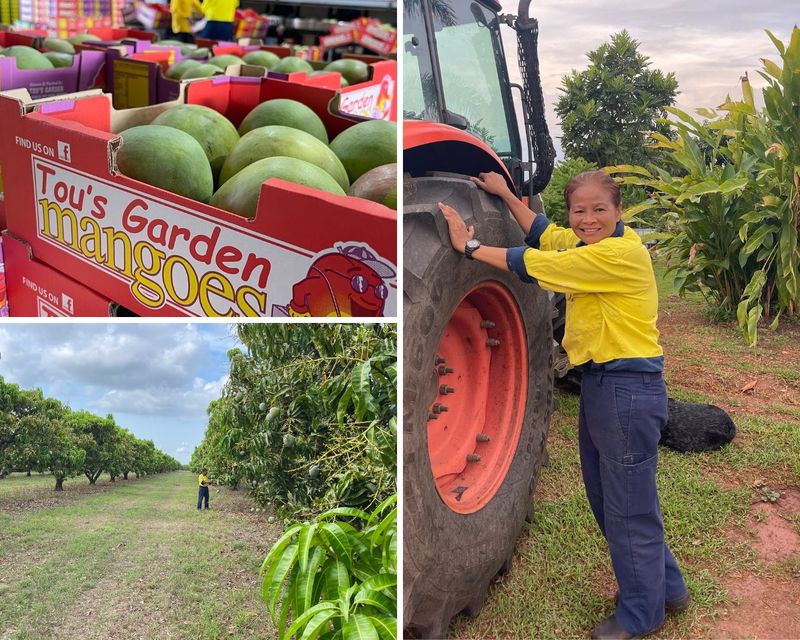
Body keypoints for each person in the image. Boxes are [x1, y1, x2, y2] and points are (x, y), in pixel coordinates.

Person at [438, 170, 690, 640]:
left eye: (599, 210)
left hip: (628, 389)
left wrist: (468, 248)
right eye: (579, 211)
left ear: (619, 211)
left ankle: (642, 614)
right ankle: (667, 589)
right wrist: (507, 196)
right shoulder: (584, 243)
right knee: (607, 497)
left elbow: (532, 262)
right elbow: (544, 234)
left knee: (627, 506)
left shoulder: (619, 253)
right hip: (601, 383)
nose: (587, 219)